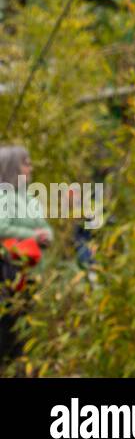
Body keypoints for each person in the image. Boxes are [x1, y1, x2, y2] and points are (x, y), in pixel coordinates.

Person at [0, 144, 53, 366]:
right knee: (8, 323)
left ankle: (19, 366)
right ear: (14, 167)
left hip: (30, 271)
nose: (30, 168)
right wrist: (32, 235)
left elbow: (44, 226)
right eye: (26, 163)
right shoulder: (5, 195)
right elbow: (1, 227)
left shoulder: (29, 197)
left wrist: (46, 235)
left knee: (25, 323)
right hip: (8, 270)